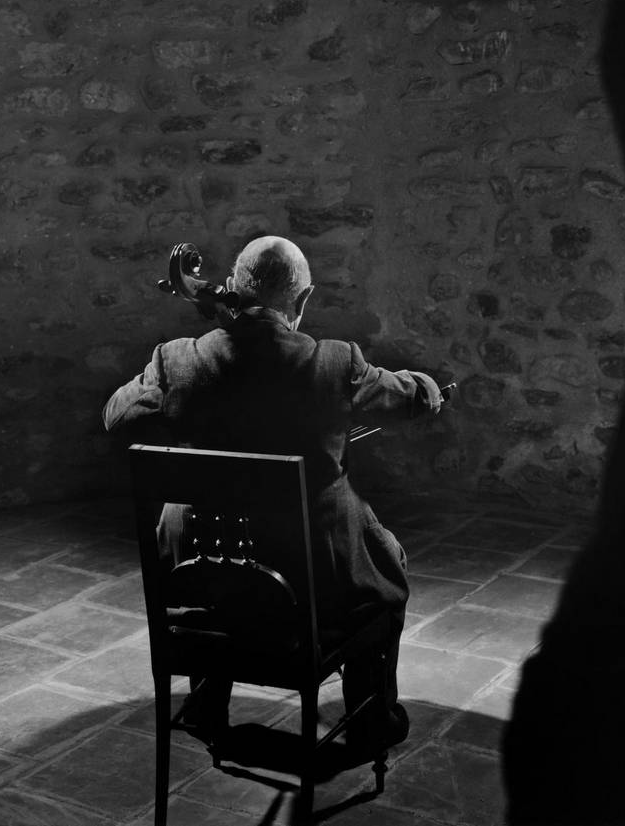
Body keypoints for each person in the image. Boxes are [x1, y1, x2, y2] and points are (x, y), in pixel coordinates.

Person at [103, 235, 445, 753]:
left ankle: (206, 707)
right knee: (386, 562)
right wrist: (427, 386)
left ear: (232, 288)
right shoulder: (335, 363)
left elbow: (116, 416)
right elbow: (409, 397)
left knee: (212, 549)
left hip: (200, 579)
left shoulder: (177, 362)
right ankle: (371, 719)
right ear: (303, 299)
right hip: (311, 589)